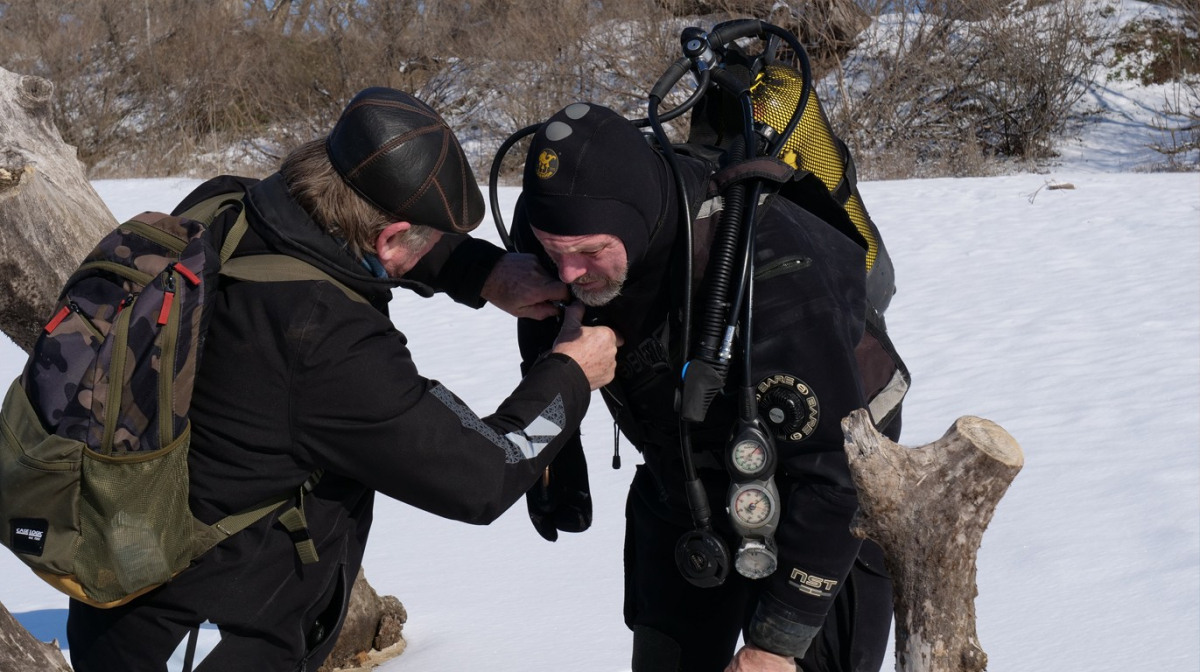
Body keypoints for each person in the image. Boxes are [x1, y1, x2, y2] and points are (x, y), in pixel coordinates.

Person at [66, 87, 620, 671]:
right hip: (206, 639)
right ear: (387, 238)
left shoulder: (232, 206)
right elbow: (481, 474)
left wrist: (481, 272)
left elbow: (363, 236)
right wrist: (569, 376)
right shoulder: (324, 337)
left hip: (126, 600)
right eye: (424, 240)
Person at [510, 103, 906, 672]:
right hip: (685, 473)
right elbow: (543, 322)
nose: (567, 274)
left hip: (826, 491)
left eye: (589, 253)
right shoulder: (554, 232)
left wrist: (776, 643)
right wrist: (555, 438)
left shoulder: (774, 274)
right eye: (553, 251)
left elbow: (837, 471)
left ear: (638, 222)